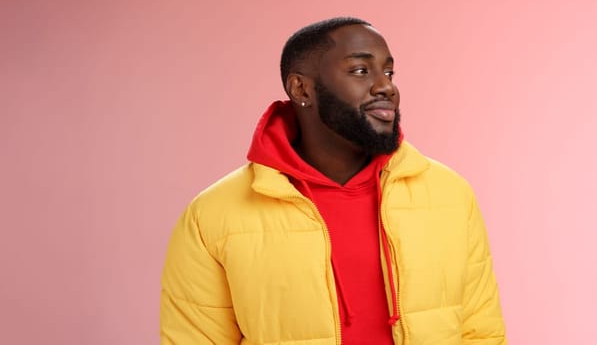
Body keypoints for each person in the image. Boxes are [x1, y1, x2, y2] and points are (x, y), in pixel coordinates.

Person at [160, 17, 506, 344]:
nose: (386, 85)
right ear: (301, 88)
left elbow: (481, 330)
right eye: (360, 70)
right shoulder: (213, 214)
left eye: (388, 71)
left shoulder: (450, 194)